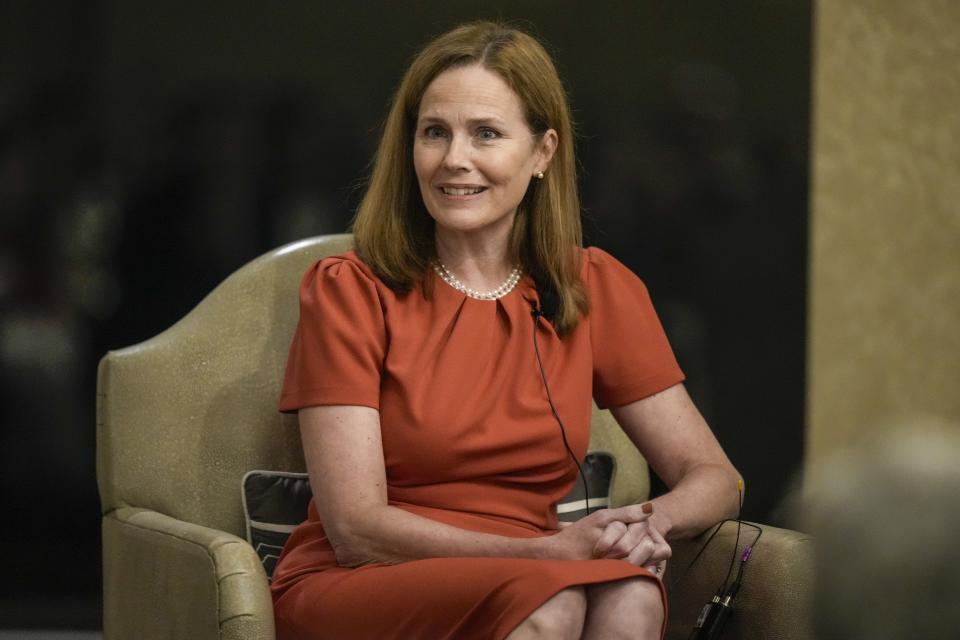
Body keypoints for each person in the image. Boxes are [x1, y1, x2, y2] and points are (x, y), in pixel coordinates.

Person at [272, 21, 741, 640]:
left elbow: (716, 478)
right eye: (434, 132)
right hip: (368, 577)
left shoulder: (591, 288)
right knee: (552, 604)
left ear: (543, 152)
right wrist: (550, 556)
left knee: (631, 593)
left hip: (541, 571)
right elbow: (357, 529)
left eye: (485, 134)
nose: (453, 159)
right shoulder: (351, 290)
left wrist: (638, 524)